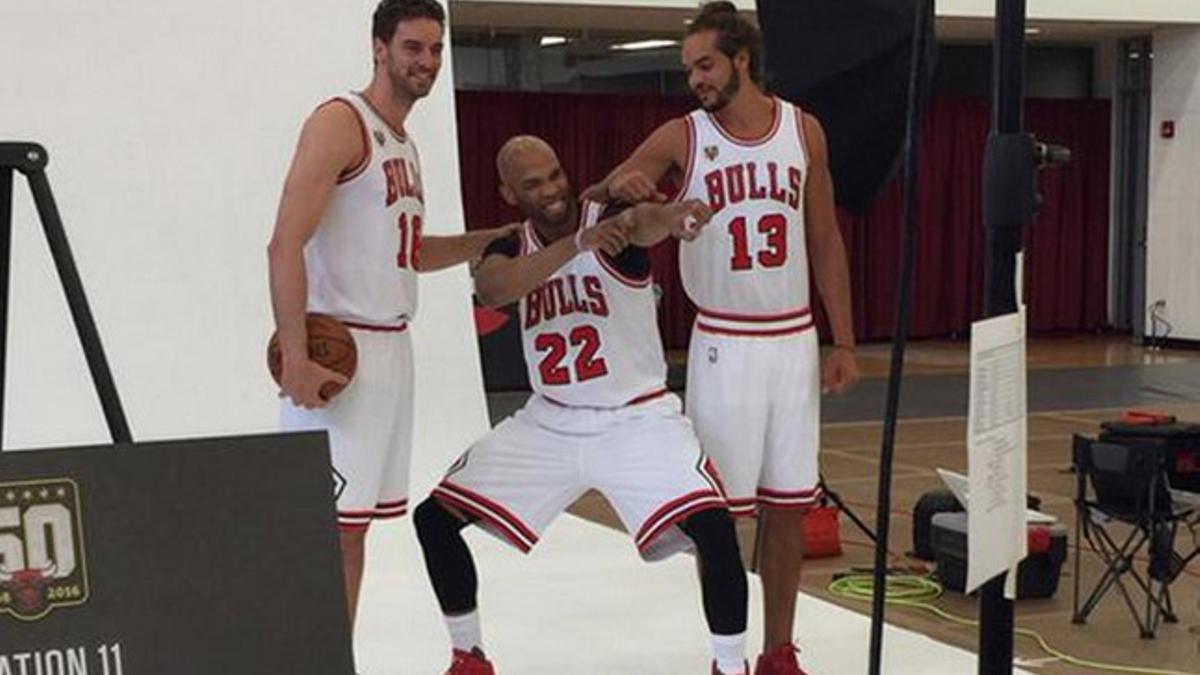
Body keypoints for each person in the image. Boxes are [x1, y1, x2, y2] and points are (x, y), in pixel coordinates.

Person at [585, 3, 860, 673]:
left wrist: (844, 340)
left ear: (742, 59)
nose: (695, 79)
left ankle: (779, 649)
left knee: (791, 504)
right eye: (688, 68)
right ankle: (727, 653)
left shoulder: (805, 131)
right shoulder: (684, 134)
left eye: (704, 64)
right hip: (723, 342)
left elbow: (824, 236)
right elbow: (601, 201)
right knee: (720, 518)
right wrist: (630, 190)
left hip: (793, 339)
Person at [413, 136, 751, 675]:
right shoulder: (509, 243)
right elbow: (495, 290)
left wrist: (676, 216)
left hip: (636, 416)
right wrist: (576, 244)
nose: (551, 190)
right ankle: (468, 656)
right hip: (550, 420)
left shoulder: (609, 216)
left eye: (554, 174)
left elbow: (646, 221)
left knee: (713, 526)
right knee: (433, 518)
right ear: (508, 193)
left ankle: (731, 668)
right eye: (533, 184)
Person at [266, 0, 514, 632]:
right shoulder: (341, 122)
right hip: (338, 356)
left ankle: (331, 656)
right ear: (379, 47)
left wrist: (485, 238)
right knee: (328, 538)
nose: (425, 62)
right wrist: (296, 357)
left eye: (435, 50)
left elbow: (407, 253)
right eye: (412, 48)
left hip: (390, 352)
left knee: (353, 536)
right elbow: (284, 242)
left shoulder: (401, 140)